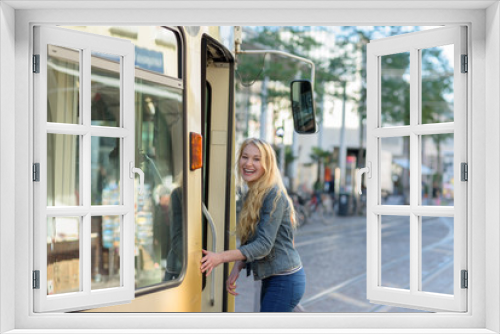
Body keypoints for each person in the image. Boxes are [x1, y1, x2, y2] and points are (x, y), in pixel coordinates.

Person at [200, 138, 305, 312]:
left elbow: (263, 245)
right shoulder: (254, 193)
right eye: (245, 157)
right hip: (275, 278)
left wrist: (219, 258)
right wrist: (237, 268)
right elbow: (250, 238)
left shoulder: (273, 195)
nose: (249, 163)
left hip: (285, 279)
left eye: (257, 159)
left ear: (267, 164)